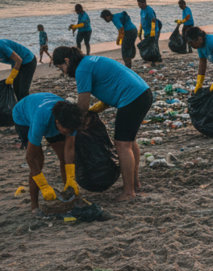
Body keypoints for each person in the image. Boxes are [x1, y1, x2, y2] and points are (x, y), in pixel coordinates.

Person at [52, 47, 152, 201]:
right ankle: (134, 184)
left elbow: (83, 105)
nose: (64, 72)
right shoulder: (90, 61)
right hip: (142, 93)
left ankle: (129, 192)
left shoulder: (82, 70)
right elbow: (111, 85)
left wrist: (74, 125)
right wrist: (96, 109)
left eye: (62, 68)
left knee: (122, 144)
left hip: (132, 98)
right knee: (129, 141)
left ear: (67, 61)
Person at [12, 93, 80, 213]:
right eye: (65, 131)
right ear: (58, 123)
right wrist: (43, 184)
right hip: (23, 116)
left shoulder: (72, 118)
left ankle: (69, 195)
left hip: (47, 110)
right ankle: (35, 207)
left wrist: (71, 178)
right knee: (38, 161)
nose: (68, 133)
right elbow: (30, 157)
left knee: (64, 157)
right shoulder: (40, 121)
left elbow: (69, 150)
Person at [137, 0, 161, 65]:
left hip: (152, 31)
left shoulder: (149, 10)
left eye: (140, 4)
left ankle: (154, 61)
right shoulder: (142, 10)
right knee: (149, 46)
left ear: (144, 3)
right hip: (146, 31)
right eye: (138, 4)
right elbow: (142, 21)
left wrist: (153, 32)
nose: (139, 6)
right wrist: (140, 32)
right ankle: (154, 58)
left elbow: (153, 20)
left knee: (153, 46)